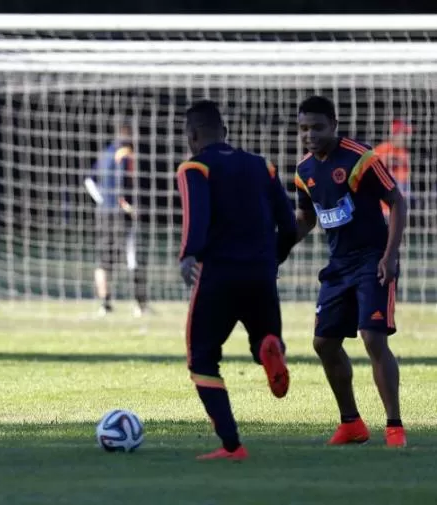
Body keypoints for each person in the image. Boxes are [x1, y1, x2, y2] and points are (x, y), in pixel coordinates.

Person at [176, 100, 296, 461]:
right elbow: (289, 224)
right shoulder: (263, 167)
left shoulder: (195, 167)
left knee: (202, 358)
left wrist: (187, 255)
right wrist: (273, 257)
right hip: (261, 272)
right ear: (225, 132)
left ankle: (232, 445)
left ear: (192, 136)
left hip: (218, 274)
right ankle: (268, 345)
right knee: (263, 337)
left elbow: (196, 217)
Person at [294, 95, 407, 448]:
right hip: (338, 266)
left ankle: (394, 428)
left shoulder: (361, 158)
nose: (310, 134)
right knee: (324, 342)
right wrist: (276, 250)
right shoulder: (305, 171)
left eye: (317, 127)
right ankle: (352, 423)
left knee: (373, 337)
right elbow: (307, 218)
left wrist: (390, 256)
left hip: (372, 259)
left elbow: (396, 201)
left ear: (334, 125)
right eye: (304, 128)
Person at [87, 121, 151, 317]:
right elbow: (123, 183)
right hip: (121, 214)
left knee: (104, 261)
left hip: (103, 213)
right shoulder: (125, 154)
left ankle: (104, 305)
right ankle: (140, 305)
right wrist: (127, 206)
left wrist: (101, 200)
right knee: (133, 256)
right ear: (129, 135)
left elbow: (89, 180)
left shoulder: (105, 152)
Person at [374, 119, 412, 219]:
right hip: (385, 205)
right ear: (395, 135)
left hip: (402, 199)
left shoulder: (404, 151)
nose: (407, 137)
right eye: (404, 134)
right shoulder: (383, 149)